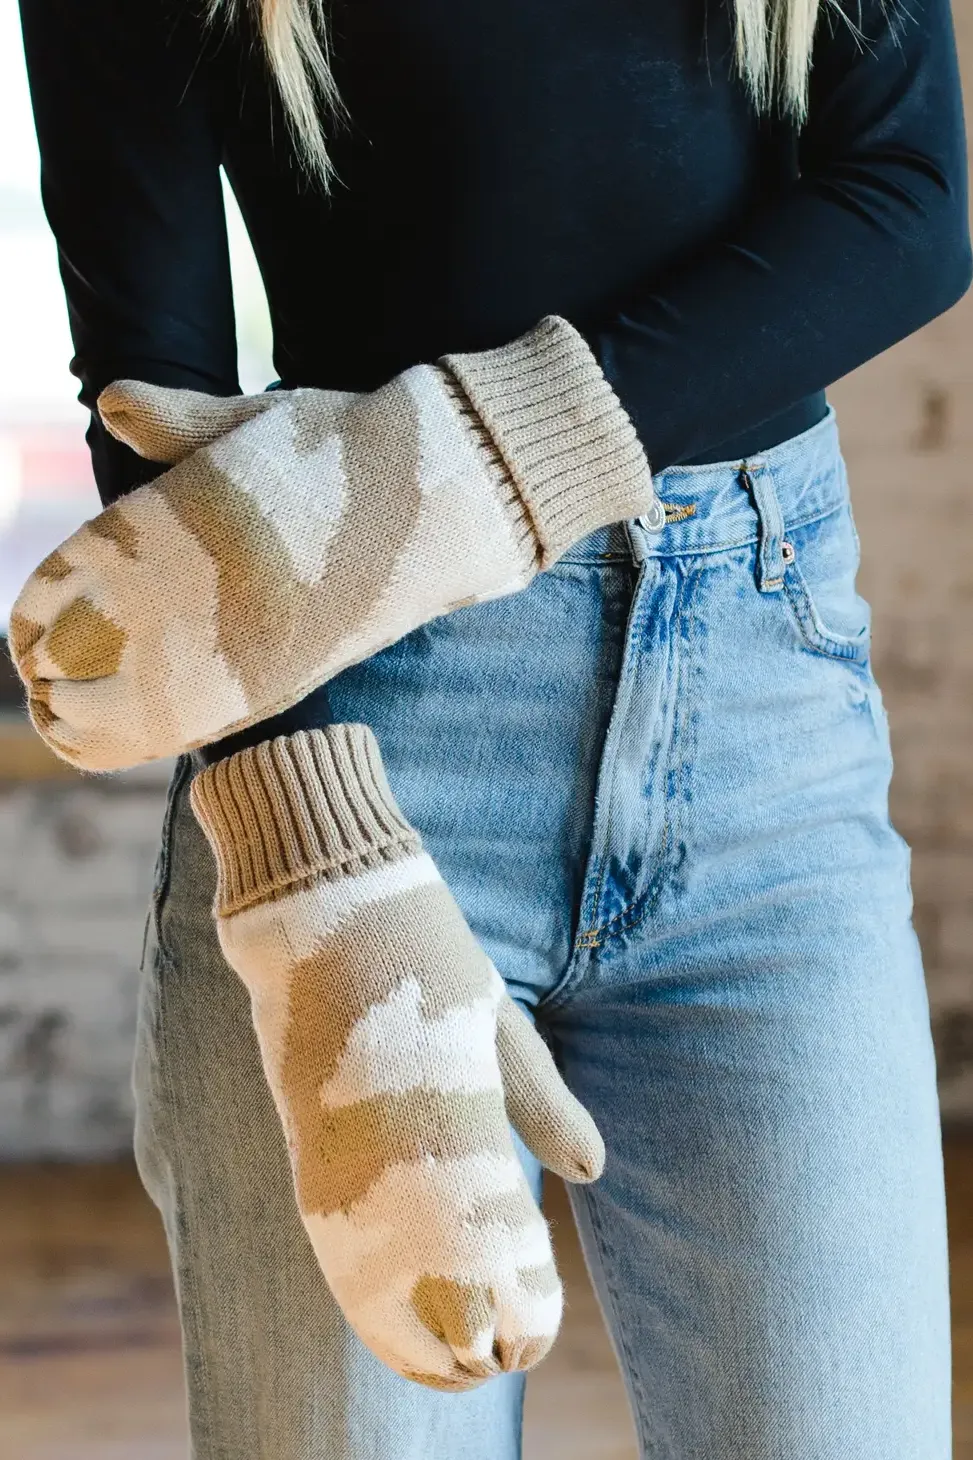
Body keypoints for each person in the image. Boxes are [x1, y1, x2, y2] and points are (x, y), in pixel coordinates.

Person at [14, 0, 971, 1452]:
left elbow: (912, 198)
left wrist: (468, 463)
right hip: (364, 716)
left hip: (770, 733)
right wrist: (317, 872)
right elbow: (158, 390)